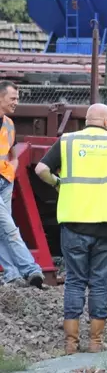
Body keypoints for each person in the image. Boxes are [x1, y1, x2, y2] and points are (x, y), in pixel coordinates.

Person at [35, 103, 107, 355]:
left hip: (74, 222)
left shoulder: (67, 141)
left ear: (86, 120)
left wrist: (58, 184)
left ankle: (70, 343)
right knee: (100, 282)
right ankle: (96, 342)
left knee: (75, 281)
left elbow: (41, 169)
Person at [0, 80, 44, 289]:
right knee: (9, 229)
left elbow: (12, 154)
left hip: (5, 182)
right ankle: (31, 270)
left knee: (2, 229)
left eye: (17, 98)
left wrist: (12, 171)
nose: (16, 102)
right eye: (13, 98)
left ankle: (11, 274)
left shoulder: (9, 124)